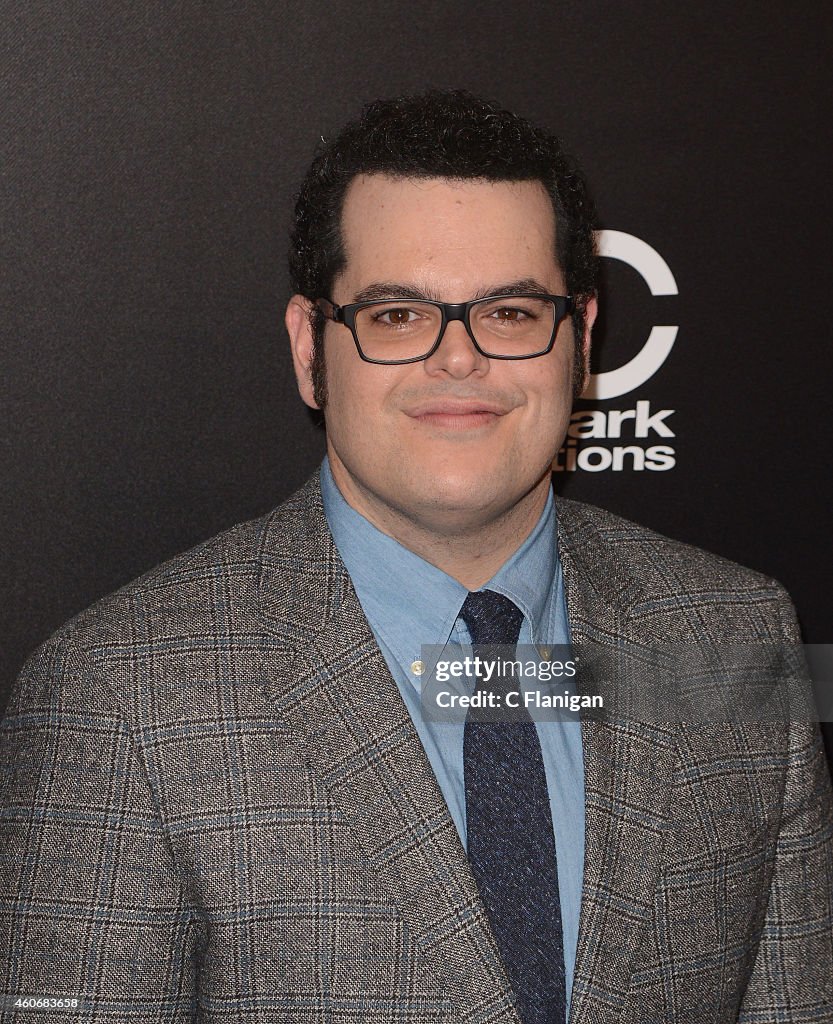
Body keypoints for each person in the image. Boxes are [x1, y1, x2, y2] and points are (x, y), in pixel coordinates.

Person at [1, 90, 831, 1023]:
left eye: (511, 312)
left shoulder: (735, 633)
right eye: (397, 315)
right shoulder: (121, 695)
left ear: (581, 339)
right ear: (310, 350)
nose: (458, 360)